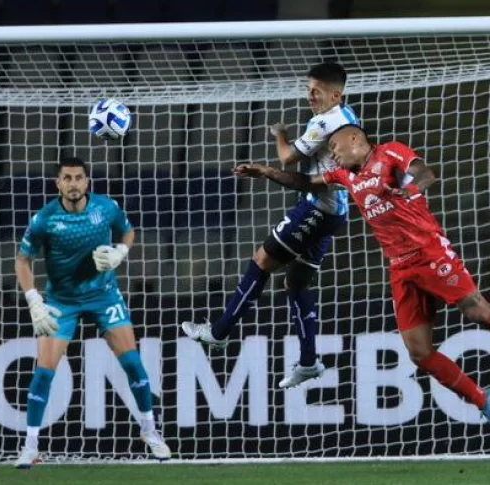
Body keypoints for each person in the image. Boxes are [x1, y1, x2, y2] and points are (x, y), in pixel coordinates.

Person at [235, 124, 490, 418]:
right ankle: (483, 401)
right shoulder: (343, 176)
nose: (332, 154)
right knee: (419, 352)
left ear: (354, 138)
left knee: (477, 312)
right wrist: (267, 172)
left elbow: (425, 173)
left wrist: (409, 190)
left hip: (429, 253)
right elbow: (304, 182)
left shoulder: (389, 152)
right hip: (400, 268)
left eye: (334, 146)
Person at [183, 62, 360, 389]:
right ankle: (308, 362)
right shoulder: (349, 116)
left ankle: (219, 332)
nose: (310, 96)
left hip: (317, 209)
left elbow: (287, 158)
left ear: (336, 95)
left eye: (317, 91)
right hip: (335, 211)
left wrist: (279, 135)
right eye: (308, 89)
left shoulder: (324, 122)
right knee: (296, 282)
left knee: (262, 260)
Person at [13, 157, 170, 468]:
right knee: (44, 372)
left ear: (87, 182)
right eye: (67, 178)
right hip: (63, 301)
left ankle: (150, 431)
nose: (73, 184)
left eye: (78, 178)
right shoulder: (45, 219)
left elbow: (128, 232)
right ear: (58, 183)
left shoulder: (106, 208)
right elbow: (22, 260)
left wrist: (121, 252)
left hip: (104, 295)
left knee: (133, 363)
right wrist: (33, 299)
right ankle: (30, 446)